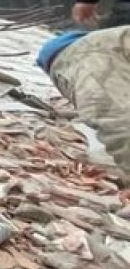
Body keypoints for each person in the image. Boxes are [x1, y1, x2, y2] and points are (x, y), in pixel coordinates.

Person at [37, 28, 130, 171]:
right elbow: (119, 127)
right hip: (81, 54)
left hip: (86, 51)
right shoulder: (95, 64)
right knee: (117, 124)